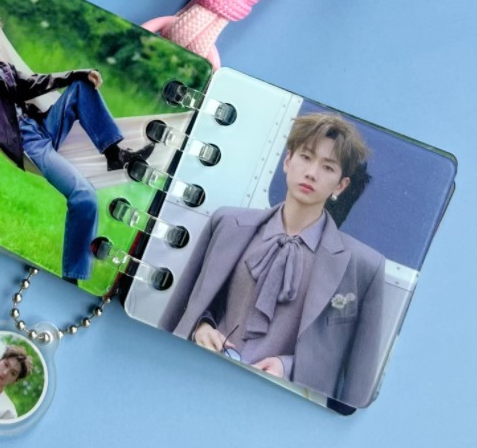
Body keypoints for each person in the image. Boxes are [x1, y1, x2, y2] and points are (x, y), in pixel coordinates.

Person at [159, 113, 385, 408]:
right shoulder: (228, 224)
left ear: (340, 186)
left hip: (276, 406)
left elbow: (357, 383)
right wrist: (201, 327)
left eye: (327, 167)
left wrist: (287, 367)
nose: (312, 173)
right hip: (197, 378)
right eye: (305, 157)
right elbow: (183, 308)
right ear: (287, 160)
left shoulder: (364, 267)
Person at [0, 14, 152, 281]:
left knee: (81, 86)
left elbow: (34, 83)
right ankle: (73, 276)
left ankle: (115, 154)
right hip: (27, 144)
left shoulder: (6, 69)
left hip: (43, 126)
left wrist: (77, 74)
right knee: (84, 195)